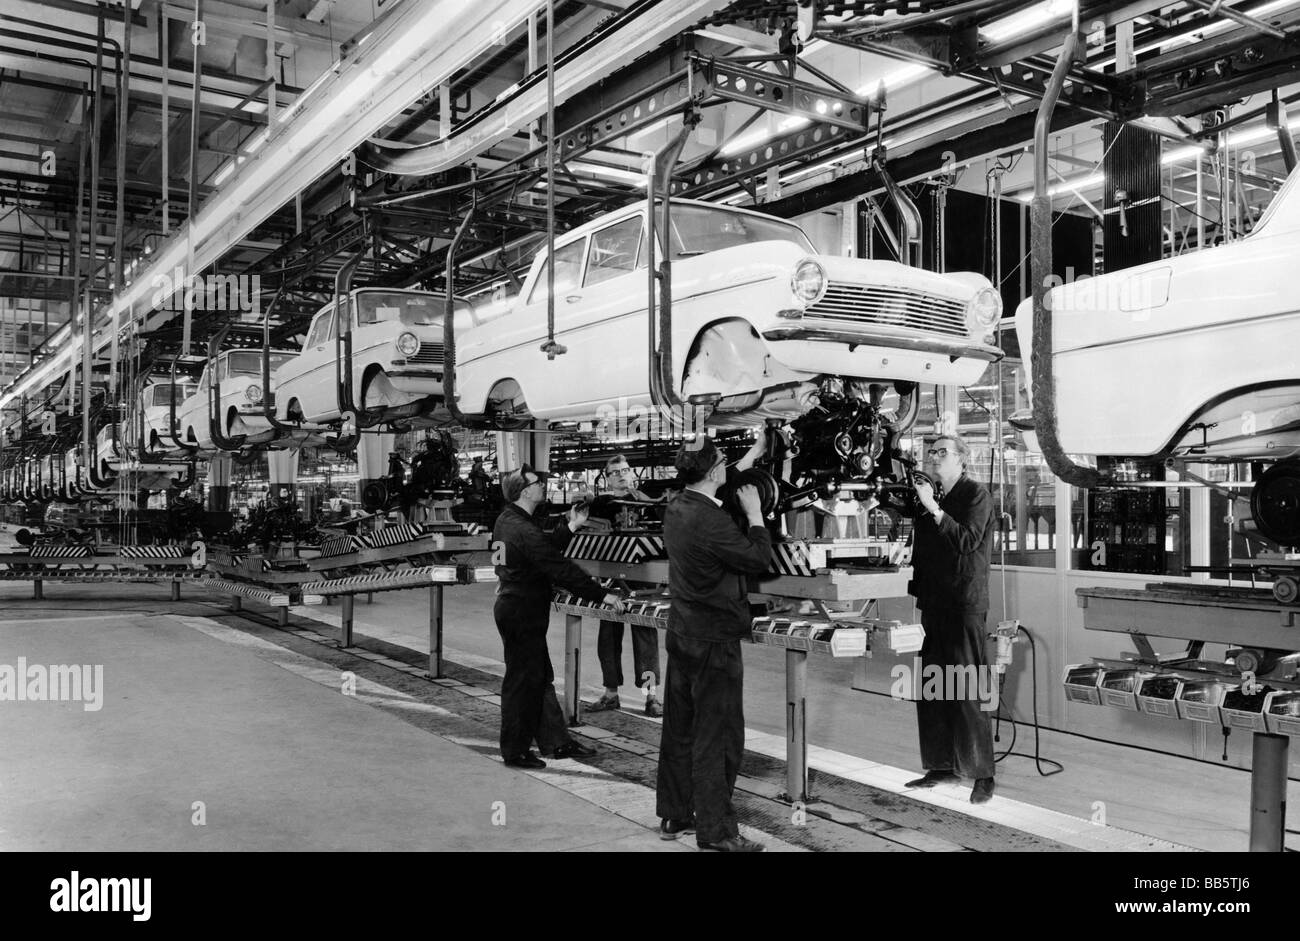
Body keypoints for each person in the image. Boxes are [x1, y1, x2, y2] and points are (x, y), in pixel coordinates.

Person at [656, 437, 771, 852]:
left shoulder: (678, 507)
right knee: (718, 736)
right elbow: (756, 558)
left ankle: (675, 813)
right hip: (714, 640)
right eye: (723, 461)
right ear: (711, 473)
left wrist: (756, 453)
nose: (726, 465)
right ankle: (719, 833)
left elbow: (717, 488)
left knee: (681, 729)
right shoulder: (713, 521)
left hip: (683, 633)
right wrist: (756, 515)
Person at [493, 464, 624, 769]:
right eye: (538, 483)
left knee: (538, 678)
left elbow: (540, 551)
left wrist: (572, 525)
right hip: (521, 610)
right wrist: (601, 594)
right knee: (522, 682)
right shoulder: (521, 527)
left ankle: (555, 742)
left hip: (515, 606)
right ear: (525, 491)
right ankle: (515, 751)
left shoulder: (508, 520)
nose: (543, 485)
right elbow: (557, 567)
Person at [905, 433, 997, 804]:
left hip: (964, 604)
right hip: (936, 603)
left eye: (942, 452)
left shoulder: (976, 494)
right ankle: (941, 765)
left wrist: (933, 508)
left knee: (968, 689)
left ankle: (982, 773)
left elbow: (966, 541)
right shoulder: (932, 497)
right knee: (933, 687)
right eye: (931, 453)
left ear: (962, 458)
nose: (934, 458)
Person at [586, 454, 666, 717]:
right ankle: (611, 693)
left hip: (642, 576)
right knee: (608, 637)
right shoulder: (600, 504)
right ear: (608, 478)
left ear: (632, 474)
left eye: (625, 470)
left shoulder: (646, 501)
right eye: (615, 472)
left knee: (645, 637)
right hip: (610, 576)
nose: (622, 474)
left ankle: (650, 696)